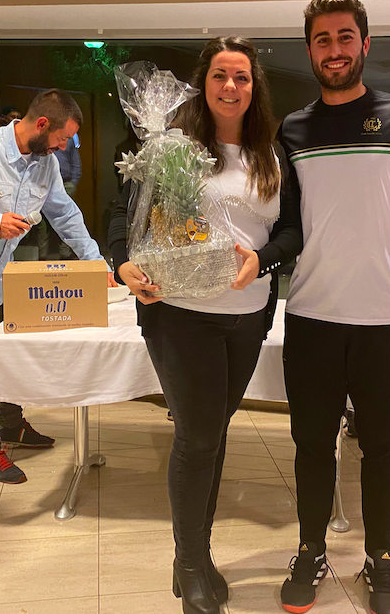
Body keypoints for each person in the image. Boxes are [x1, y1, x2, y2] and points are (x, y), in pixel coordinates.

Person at [277, 0, 390, 614]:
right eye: (322, 40)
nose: (334, 50)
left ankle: (380, 559)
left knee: (383, 448)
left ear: (364, 44)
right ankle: (311, 549)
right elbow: (285, 220)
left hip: (389, 318)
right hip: (312, 316)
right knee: (311, 446)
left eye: (344, 37)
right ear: (310, 50)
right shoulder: (292, 130)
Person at [108, 37, 302, 614]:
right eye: (220, 75)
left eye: (241, 77)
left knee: (213, 435)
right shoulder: (173, 147)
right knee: (197, 438)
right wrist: (122, 263)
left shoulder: (272, 155)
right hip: (180, 314)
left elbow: (292, 232)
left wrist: (262, 261)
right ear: (204, 83)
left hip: (248, 318)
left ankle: (196, 553)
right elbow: (124, 213)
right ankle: (190, 561)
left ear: (254, 86)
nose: (230, 87)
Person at [0, 89, 115, 485]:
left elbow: (65, 213)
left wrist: (95, 262)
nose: (64, 146)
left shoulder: (46, 164)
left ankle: (11, 426)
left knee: (8, 357)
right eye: (63, 138)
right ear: (42, 124)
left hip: (6, 278)